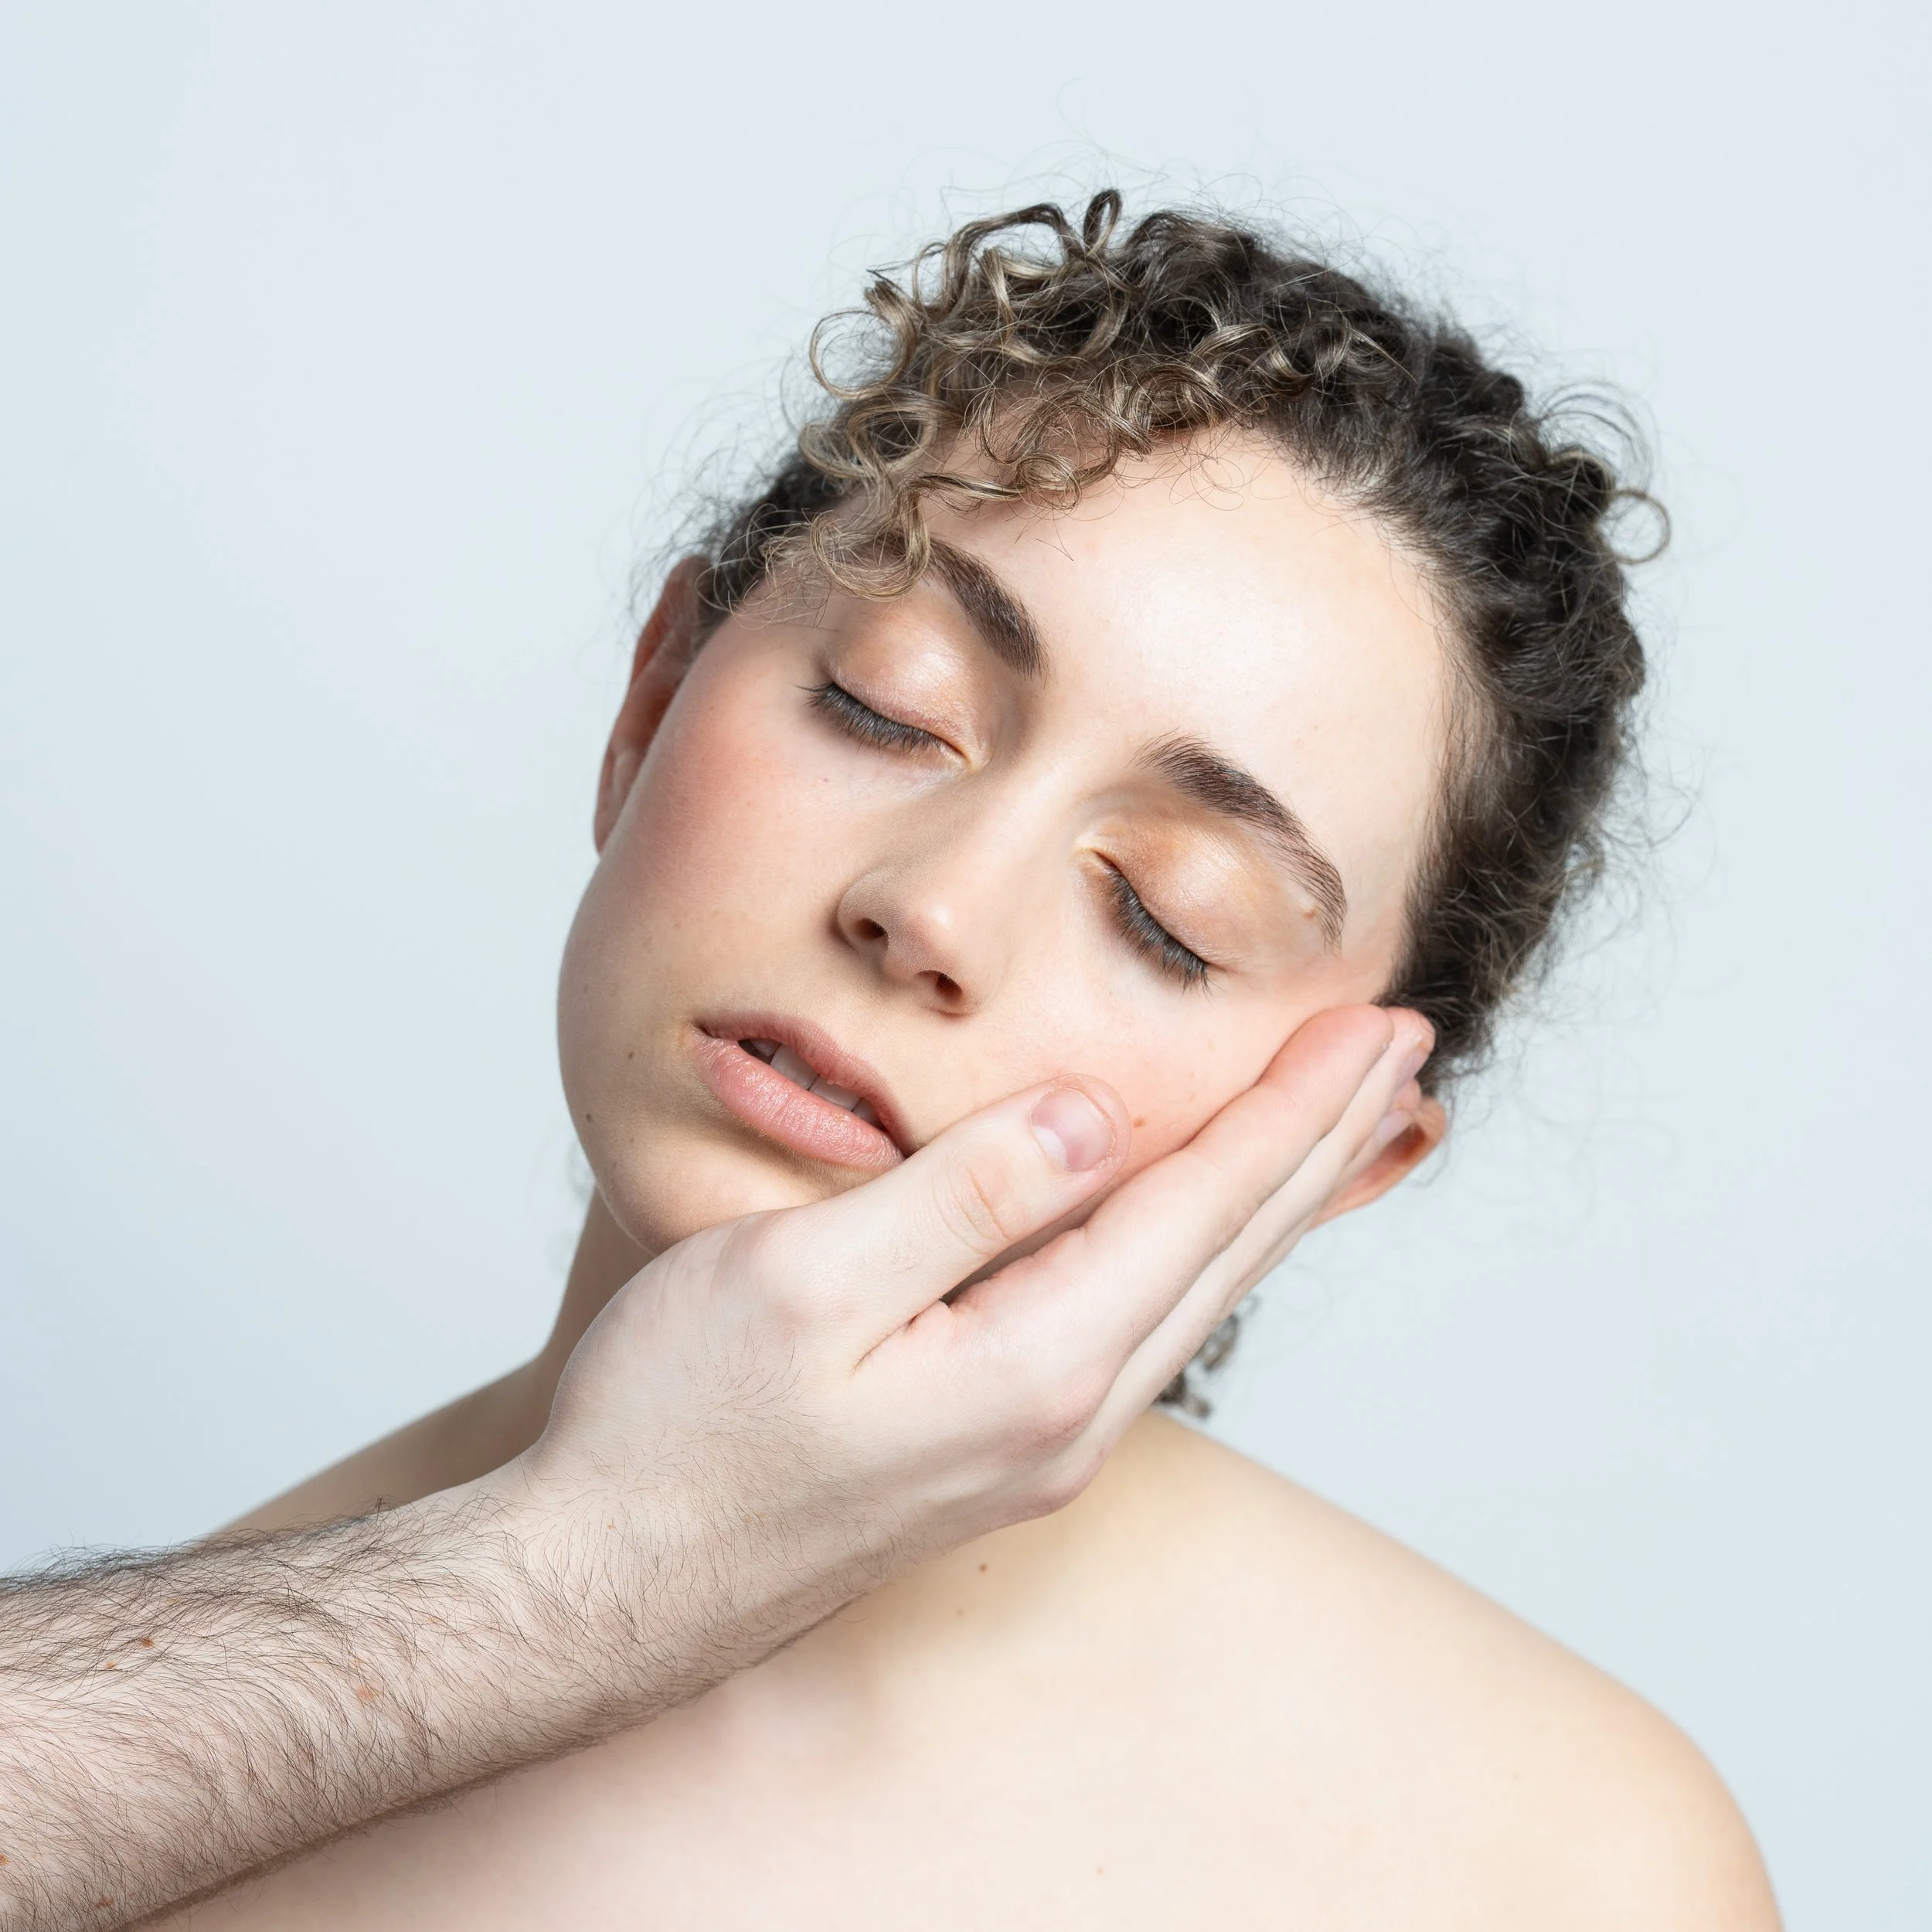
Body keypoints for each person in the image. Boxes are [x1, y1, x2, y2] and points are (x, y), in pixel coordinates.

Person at [138, 191, 1768, 1924]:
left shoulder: (1561, 1860)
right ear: (647, 709)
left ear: (1340, 1151)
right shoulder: (121, 1782)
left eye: (1167, 913)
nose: (928, 908)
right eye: (883, 707)